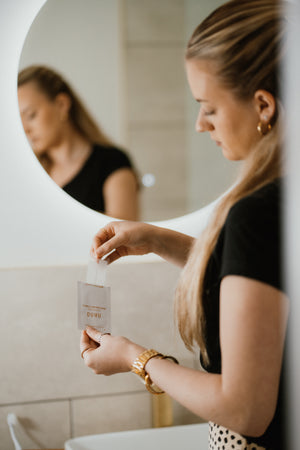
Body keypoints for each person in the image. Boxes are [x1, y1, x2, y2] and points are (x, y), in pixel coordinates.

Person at [80, 1, 289, 448]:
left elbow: (245, 410)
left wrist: (136, 358)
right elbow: (265, 277)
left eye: (209, 108)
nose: (200, 124)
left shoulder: (260, 210)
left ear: (263, 105)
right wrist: (158, 239)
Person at [18, 66, 139, 220]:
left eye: (31, 115)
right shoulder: (32, 174)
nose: (25, 129)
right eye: (19, 121)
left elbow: (125, 235)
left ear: (62, 104)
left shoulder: (112, 162)